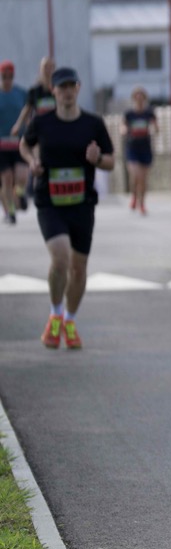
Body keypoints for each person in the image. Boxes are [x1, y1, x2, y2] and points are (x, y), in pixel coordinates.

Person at [19, 67, 115, 349]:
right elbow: (24, 145)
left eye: (72, 86)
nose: (67, 92)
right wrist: (32, 162)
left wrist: (97, 159)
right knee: (60, 259)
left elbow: (111, 161)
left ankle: (70, 321)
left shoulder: (93, 123)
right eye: (62, 87)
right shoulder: (42, 122)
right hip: (50, 201)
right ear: (54, 91)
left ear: (78, 88)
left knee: (79, 268)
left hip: (82, 204)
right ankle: (55, 314)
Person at [12, 57, 56, 213]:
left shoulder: (58, 89)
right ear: (40, 70)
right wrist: (18, 125)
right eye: (45, 67)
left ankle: (50, 191)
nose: (48, 70)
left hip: (56, 132)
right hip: (40, 134)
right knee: (38, 163)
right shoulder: (35, 91)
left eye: (51, 67)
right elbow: (27, 109)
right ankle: (36, 192)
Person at [121, 86, 159, 215]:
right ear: (133, 98)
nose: (139, 99)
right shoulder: (129, 114)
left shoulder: (149, 113)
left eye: (141, 97)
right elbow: (123, 126)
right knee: (135, 176)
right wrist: (124, 131)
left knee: (143, 178)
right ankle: (134, 196)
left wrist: (155, 128)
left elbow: (156, 127)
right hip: (133, 148)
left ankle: (142, 203)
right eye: (137, 97)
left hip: (145, 148)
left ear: (144, 98)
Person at [0, 60, 28, 224]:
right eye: (4, 76)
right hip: (1, 145)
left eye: (10, 76)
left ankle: (20, 193)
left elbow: (29, 112)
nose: (7, 80)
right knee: (7, 178)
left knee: (21, 175)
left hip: (18, 142)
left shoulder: (21, 94)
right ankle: (10, 211)